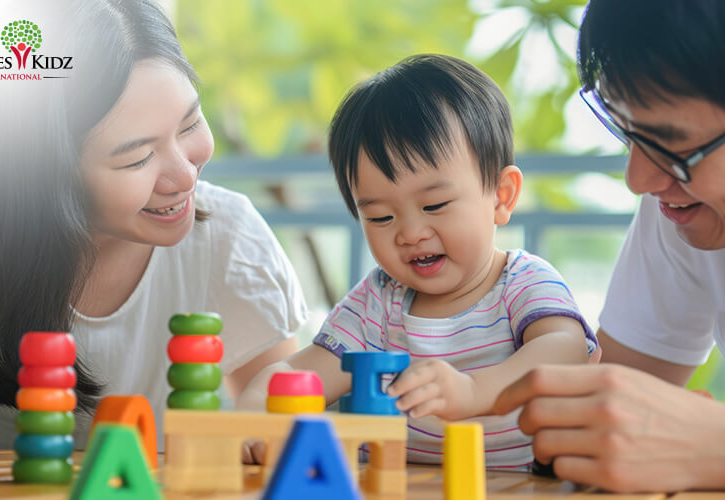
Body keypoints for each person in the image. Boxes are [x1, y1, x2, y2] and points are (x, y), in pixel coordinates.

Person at [0, 0, 307, 450]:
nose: (186, 176)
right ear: (41, 175)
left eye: (190, 124)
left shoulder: (228, 237)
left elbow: (294, 430)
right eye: (138, 157)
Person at [237, 54, 599, 470]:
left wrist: (473, 391)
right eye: (380, 217)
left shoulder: (522, 283)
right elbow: (304, 372)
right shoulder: (377, 304)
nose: (410, 233)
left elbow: (564, 351)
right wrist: (257, 403)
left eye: (435, 204)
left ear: (502, 195)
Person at [492, 0, 725, 492]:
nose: (638, 179)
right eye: (628, 132)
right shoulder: (687, 206)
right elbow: (603, 422)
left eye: (673, 145)